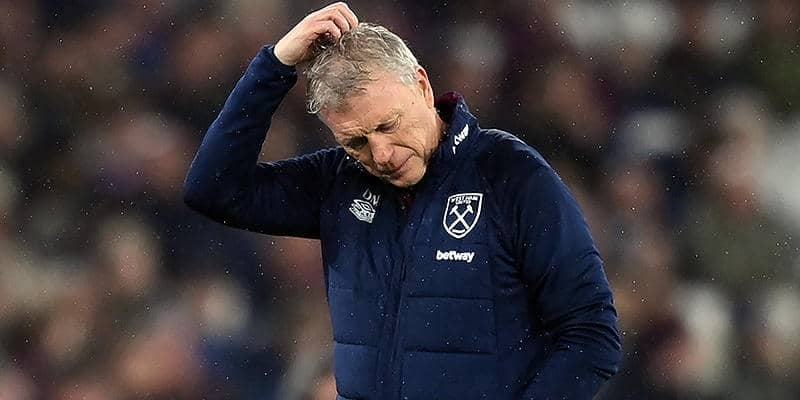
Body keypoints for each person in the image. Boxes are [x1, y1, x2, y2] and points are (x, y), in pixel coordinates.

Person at [183, 2, 621, 399]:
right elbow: (213, 189)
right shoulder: (339, 181)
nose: (381, 155)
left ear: (422, 86)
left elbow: (591, 334)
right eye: (356, 141)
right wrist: (275, 65)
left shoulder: (510, 174)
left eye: (388, 125)